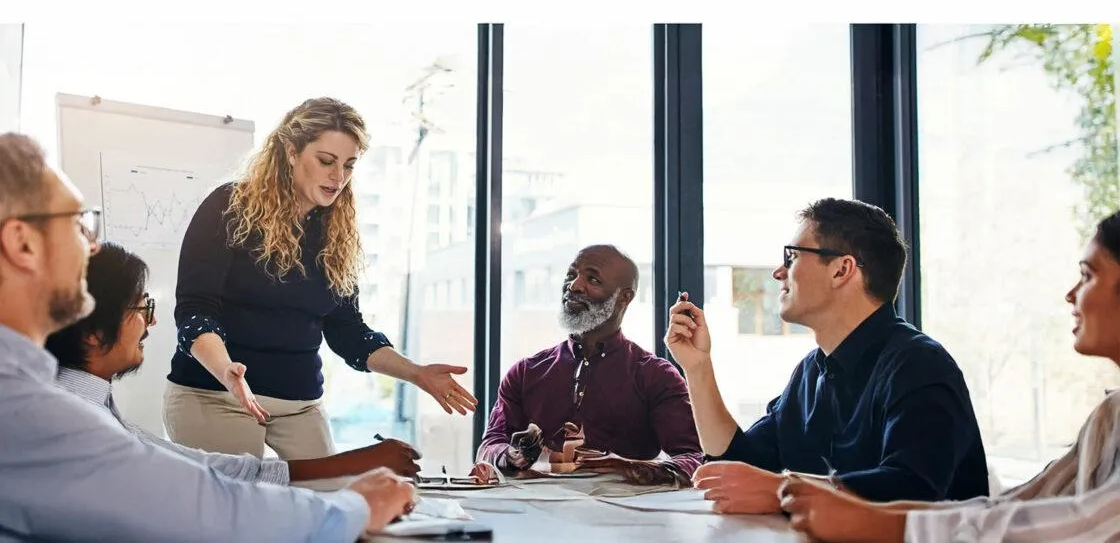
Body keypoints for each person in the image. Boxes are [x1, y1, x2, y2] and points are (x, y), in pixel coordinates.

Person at [0, 132, 414, 542]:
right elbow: (202, 508)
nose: (91, 248)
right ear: (21, 243)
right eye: (77, 224)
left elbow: (195, 471)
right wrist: (353, 507)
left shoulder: (68, 403)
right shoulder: (26, 411)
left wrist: (350, 476)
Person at [778, 209, 1120, 543]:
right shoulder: (1110, 415)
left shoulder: (918, 362)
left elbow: (1087, 525)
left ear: (843, 270)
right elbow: (1016, 506)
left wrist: (865, 520)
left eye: (1088, 275)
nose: (1071, 295)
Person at [166, 97, 477, 460]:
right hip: (215, 393)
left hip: (299, 403)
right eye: (327, 161)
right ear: (291, 151)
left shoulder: (335, 232)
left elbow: (349, 333)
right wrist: (226, 372)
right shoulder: (228, 207)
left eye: (349, 165)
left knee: (331, 503)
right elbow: (194, 312)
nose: (338, 177)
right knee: (245, 508)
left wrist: (417, 373)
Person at [668, 198, 988, 509]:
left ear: (841, 270)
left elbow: (912, 491)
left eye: (791, 257)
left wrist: (783, 490)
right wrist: (697, 368)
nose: (778, 272)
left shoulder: (920, 365)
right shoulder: (810, 373)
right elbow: (740, 469)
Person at [46, 240, 423, 487]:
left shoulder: (91, 406)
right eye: (143, 307)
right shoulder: (75, 426)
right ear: (93, 332)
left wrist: (357, 461)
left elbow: (203, 468)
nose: (153, 320)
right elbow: (202, 480)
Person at [476, 244, 703, 487]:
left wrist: (631, 470)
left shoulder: (656, 376)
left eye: (592, 279)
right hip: (537, 518)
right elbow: (489, 446)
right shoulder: (524, 373)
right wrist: (510, 456)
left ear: (624, 297)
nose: (574, 286)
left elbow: (694, 459)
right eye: (570, 275)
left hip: (629, 521)